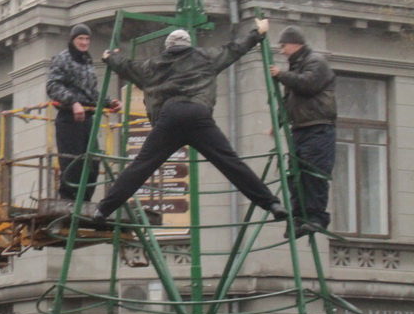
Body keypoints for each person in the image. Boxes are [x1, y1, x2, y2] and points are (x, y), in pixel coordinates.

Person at [93, 19, 286, 224]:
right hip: (198, 115)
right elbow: (234, 49)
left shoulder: (153, 66)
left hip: (169, 118)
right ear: (189, 44)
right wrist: (258, 33)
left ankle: (103, 209)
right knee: (231, 163)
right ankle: (272, 204)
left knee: (141, 166)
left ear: (168, 47)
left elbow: (126, 66)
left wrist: (108, 57)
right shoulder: (206, 58)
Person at [269, 25, 337, 236]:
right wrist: (279, 122)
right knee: (295, 175)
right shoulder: (297, 68)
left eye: (283, 45)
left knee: (313, 173)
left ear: (295, 43)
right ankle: (299, 218)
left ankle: (316, 218)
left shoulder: (316, 62)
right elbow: (290, 101)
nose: (282, 51)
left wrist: (281, 75)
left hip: (318, 127)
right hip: (300, 129)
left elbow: (307, 85)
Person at [47, 24, 122, 204]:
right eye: (80, 38)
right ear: (73, 40)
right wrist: (73, 103)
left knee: (92, 163)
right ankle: (68, 201)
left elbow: (91, 93)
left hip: (87, 119)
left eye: (87, 39)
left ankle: (84, 201)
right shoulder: (62, 59)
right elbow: (53, 86)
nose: (84, 42)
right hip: (69, 119)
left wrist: (110, 101)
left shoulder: (87, 62)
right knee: (73, 163)